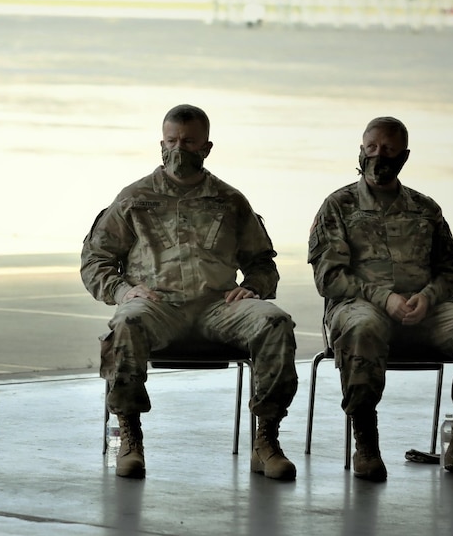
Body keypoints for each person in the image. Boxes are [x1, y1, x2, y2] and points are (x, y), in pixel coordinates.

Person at [81, 104, 299, 481]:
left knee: (275, 322)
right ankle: (131, 438)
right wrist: (123, 291)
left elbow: (263, 262)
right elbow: (95, 260)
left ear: (207, 147)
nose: (179, 148)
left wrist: (252, 288)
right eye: (172, 141)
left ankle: (267, 440)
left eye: (189, 142)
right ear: (161, 144)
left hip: (219, 306)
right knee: (126, 323)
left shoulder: (230, 201)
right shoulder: (135, 198)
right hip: (158, 306)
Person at [308, 116, 453, 482]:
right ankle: (366, 444)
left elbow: (451, 272)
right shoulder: (338, 206)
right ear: (361, 150)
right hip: (362, 308)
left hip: (425, 313)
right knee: (362, 327)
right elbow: (329, 277)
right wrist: (384, 298)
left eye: (389, 149)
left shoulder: (425, 209)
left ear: (404, 156)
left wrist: (429, 298)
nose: (379, 155)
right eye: (372, 147)